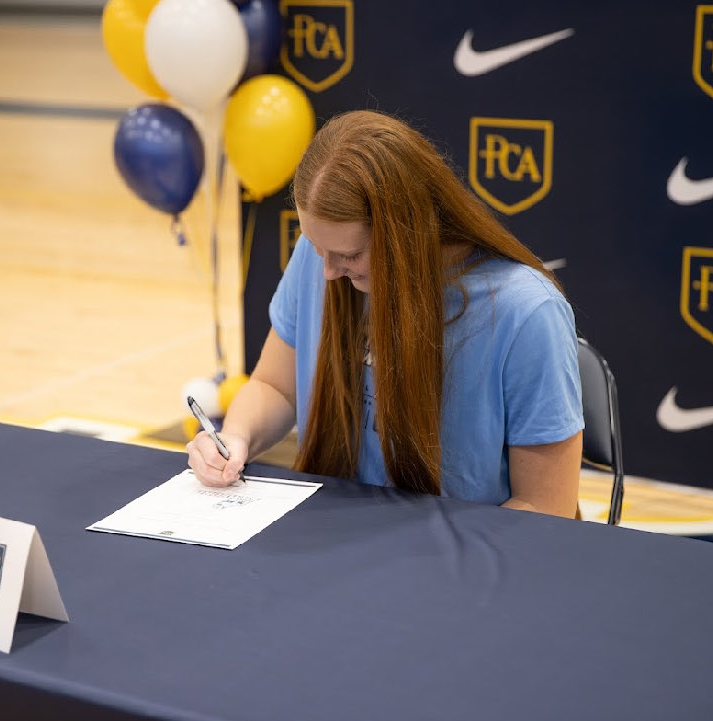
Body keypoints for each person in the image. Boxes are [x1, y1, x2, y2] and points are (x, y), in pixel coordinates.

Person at [187, 110, 583, 518]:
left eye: (350, 255)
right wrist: (235, 437)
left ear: (406, 234)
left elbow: (544, 509)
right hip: (340, 540)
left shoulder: (527, 312)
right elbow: (275, 388)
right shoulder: (320, 255)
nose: (328, 271)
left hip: (464, 564)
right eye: (317, 248)